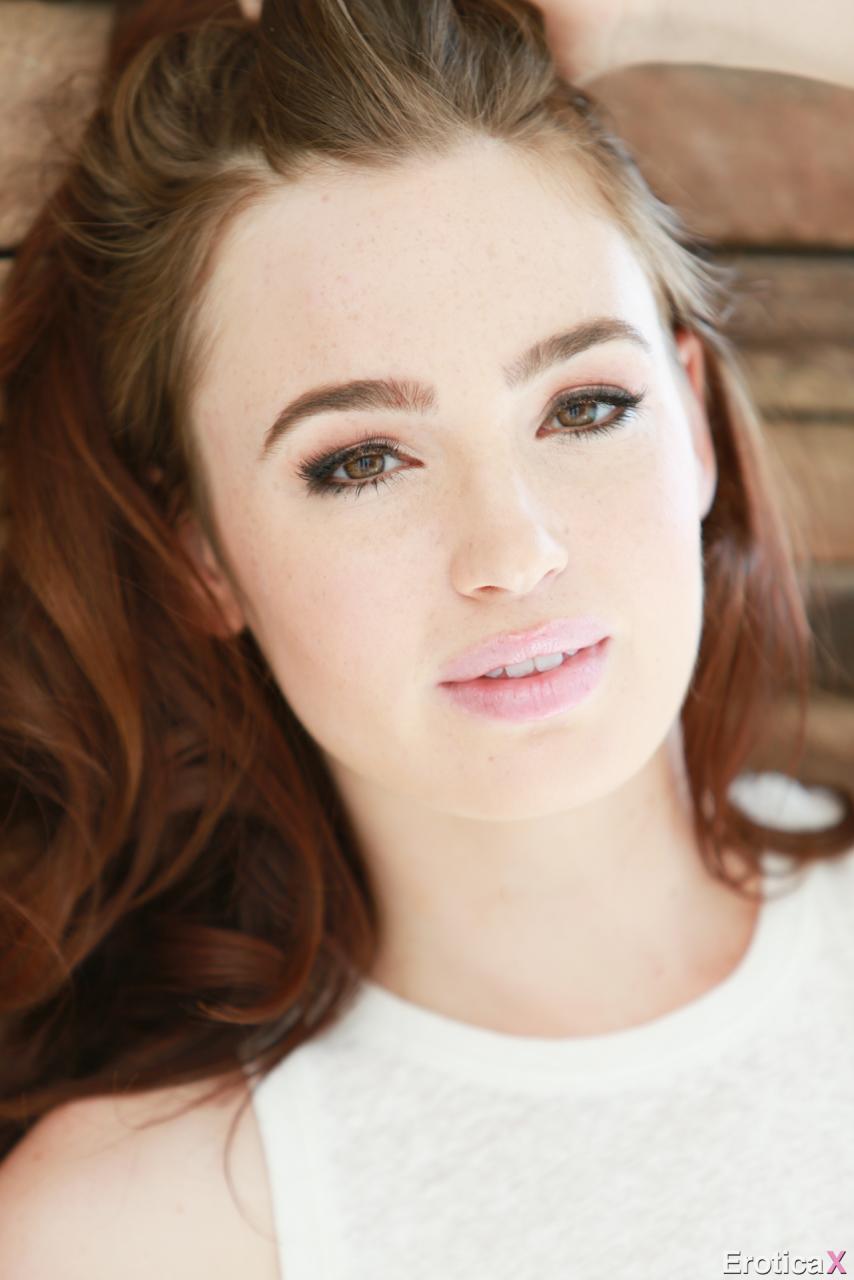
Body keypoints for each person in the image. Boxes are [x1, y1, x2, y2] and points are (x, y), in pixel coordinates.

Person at [0, 0, 851, 1275]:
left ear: (693, 428)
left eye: (584, 405)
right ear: (200, 556)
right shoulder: (145, 1224)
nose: (510, 549)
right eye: (358, 460)